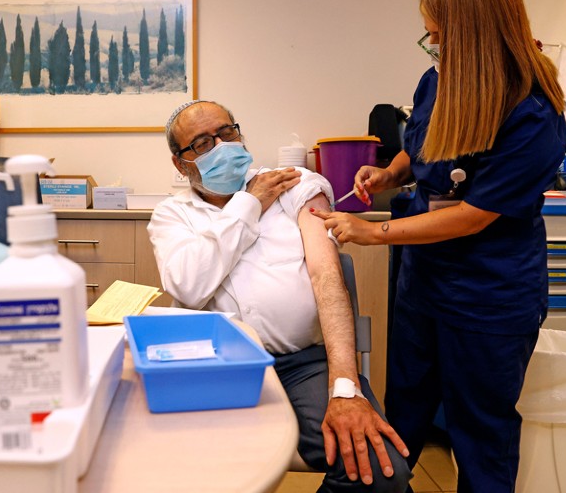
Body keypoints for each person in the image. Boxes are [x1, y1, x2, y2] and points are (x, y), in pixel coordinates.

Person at [312, 0, 566, 491]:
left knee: (480, 432)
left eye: (439, 33)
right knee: (404, 411)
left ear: (474, 35)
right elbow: (427, 142)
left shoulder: (532, 112)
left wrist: (374, 232)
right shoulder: (439, 78)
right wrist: (390, 174)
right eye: (428, 33)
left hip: (488, 293)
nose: (432, 44)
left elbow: (474, 215)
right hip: (425, 282)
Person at [148, 100, 412, 492]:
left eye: (227, 132)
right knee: (181, 468)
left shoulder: (294, 183)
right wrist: (249, 204)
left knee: (382, 472)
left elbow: (327, 278)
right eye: (202, 143)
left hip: (304, 362)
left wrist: (345, 388)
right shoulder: (173, 215)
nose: (221, 146)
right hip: (217, 368)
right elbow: (189, 285)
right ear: (180, 163)